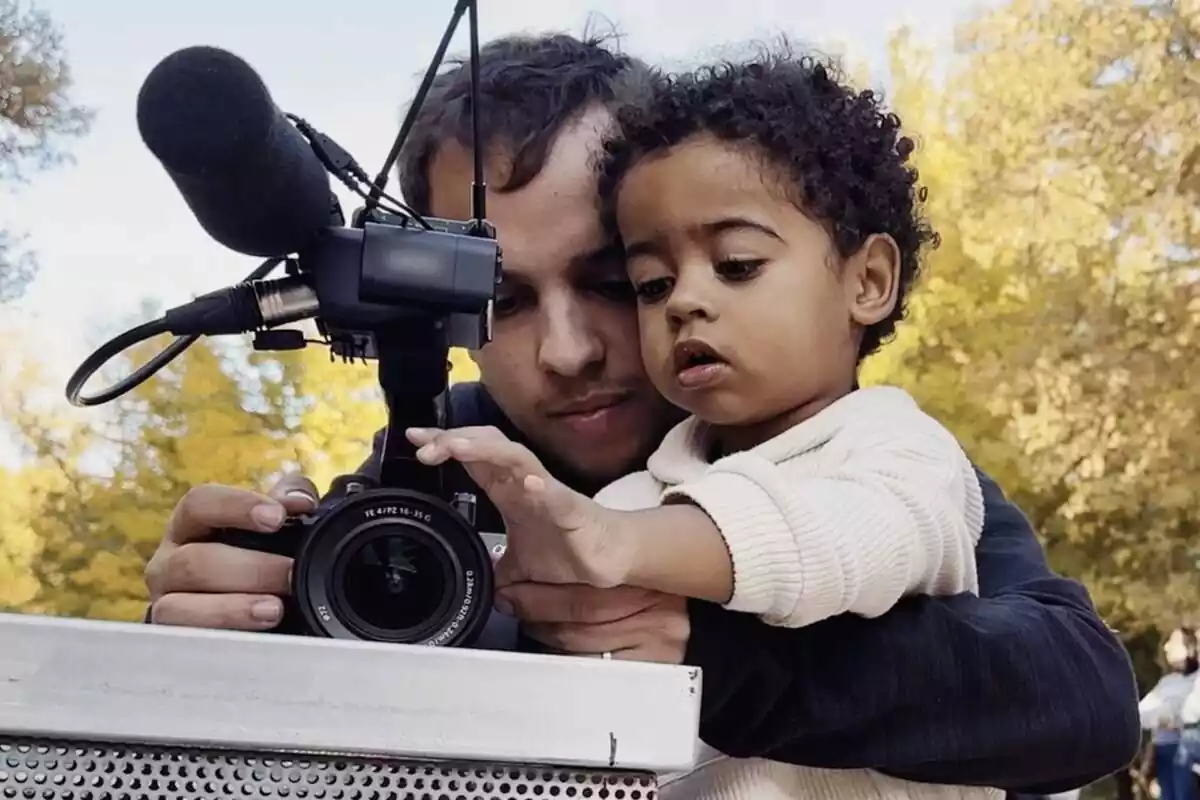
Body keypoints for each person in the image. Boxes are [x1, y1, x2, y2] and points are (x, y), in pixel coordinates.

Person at [141, 28, 1140, 797]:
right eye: (503, 297)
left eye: (619, 277)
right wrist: (219, 660)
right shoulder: (426, 473)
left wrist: (708, 651)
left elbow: (1080, 697)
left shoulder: (827, 439)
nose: (569, 350)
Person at [406, 44, 994, 800]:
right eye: (652, 283)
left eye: (612, 282)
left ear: (868, 280)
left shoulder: (891, 448)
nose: (568, 351)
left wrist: (626, 548)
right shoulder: (619, 484)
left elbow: (848, 535)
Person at [1142, 627, 1200, 800]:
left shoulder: (1195, 680)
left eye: (1173, 642)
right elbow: (1141, 713)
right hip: (1165, 748)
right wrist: (1160, 718)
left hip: (1185, 744)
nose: (1166, 647)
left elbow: (1188, 713)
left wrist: (1171, 717)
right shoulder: (1167, 682)